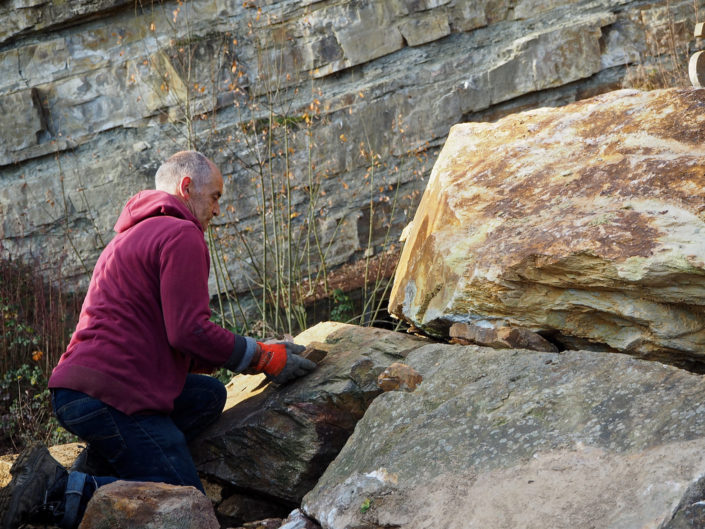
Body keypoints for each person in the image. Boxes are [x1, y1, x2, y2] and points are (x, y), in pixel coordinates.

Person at [0, 150, 317, 529]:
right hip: (112, 395)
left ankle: (101, 463)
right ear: (187, 188)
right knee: (185, 505)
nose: (218, 210)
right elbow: (189, 331)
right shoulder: (182, 233)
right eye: (215, 197)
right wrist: (262, 357)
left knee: (208, 396)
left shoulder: (131, 235)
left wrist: (250, 346)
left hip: (79, 390)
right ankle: (61, 489)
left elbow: (164, 336)